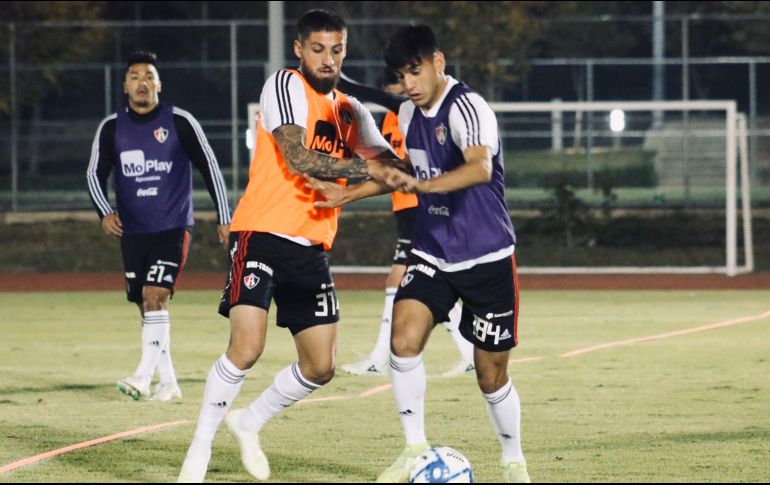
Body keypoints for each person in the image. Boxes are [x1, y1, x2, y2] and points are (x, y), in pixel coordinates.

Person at [176, 10, 405, 483]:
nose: (327, 59)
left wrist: (375, 179)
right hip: (261, 231)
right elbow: (300, 159)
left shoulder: (351, 110)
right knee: (247, 347)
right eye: (317, 49)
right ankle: (197, 452)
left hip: (311, 244)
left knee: (321, 366)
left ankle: (250, 420)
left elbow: (399, 171)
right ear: (299, 50)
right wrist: (371, 170)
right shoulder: (283, 86)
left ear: (345, 50)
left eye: (336, 50)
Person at [307, 25, 530, 483]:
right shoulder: (408, 116)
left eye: (416, 70)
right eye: (401, 74)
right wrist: (346, 194)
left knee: (491, 377)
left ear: (438, 63)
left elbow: (479, 167)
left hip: (487, 257)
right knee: (402, 343)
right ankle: (414, 449)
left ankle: (513, 461)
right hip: (432, 253)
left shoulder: (468, 107)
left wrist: (424, 187)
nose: (408, 83)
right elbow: (403, 170)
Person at [86, 51, 231, 402]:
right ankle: (169, 383)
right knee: (148, 307)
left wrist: (225, 217)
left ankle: (142, 376)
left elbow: (209, 166)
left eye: (149, 76)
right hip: (133, 231)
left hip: (172, 226)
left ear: (159, 84)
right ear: (125, 85)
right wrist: (105, 211)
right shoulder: (111, 127)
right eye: (134, 76)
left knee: (155, 296)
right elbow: (94, 174)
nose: (142, 82)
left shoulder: (179, 121)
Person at [337, 70, 475, 378]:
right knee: (430, 283)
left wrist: (341, 79)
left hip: (420, 208)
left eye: (402, 86)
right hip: (406, 208)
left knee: (399, 283)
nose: (401, 93)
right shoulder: (390, 121)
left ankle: (380, 358)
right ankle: (469, 352)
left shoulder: (417, 114)